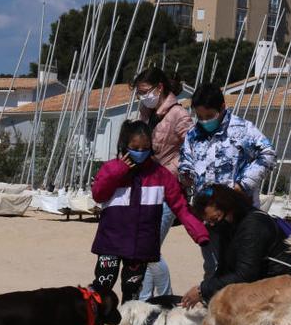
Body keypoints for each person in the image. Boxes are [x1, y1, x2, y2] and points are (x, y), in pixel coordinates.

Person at [90, 120, 209, 303]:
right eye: (134, 147)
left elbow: (181, 206)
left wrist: (200, 233)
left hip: (141, 247)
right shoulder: (110, 168)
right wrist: (120, 169)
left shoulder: (160, 175)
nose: (140, 152)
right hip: (111, 242)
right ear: (124, 146)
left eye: (145, 147)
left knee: (132, 293)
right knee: (101, 288)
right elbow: (98, 193)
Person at [178, 82, 276, 278]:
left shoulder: (243, 129)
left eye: (210, 116)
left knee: (243, 269)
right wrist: (186, 175)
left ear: (222, 108)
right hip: (208, 217)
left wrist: (242, 185)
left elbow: (268, 154)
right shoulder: (192, 135)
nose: (205, 121)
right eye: (200, 117)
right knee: (213, 269)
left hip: (239, 215)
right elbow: (185, 162)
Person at [180, 184, 291, 309]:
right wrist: (206, 294)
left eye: (215, 219)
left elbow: (245, 275)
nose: (213, 225)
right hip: (264, 284)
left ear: (228, 206)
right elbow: (224, 268)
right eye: (209, 222)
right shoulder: (229, 226)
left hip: (284, 288)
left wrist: (202, 290)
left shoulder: (253, 225)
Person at [132, 67, 193, 300]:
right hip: (146, 186)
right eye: (139, 93)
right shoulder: (146, 111)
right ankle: (145, 300)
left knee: (149, 248)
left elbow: (192, 149)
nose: (142, 97)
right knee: (144, 248)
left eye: (145, 91)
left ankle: (166, 299)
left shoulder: (179, 114)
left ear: (159, 88)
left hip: (169, 187)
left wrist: (170, 171)